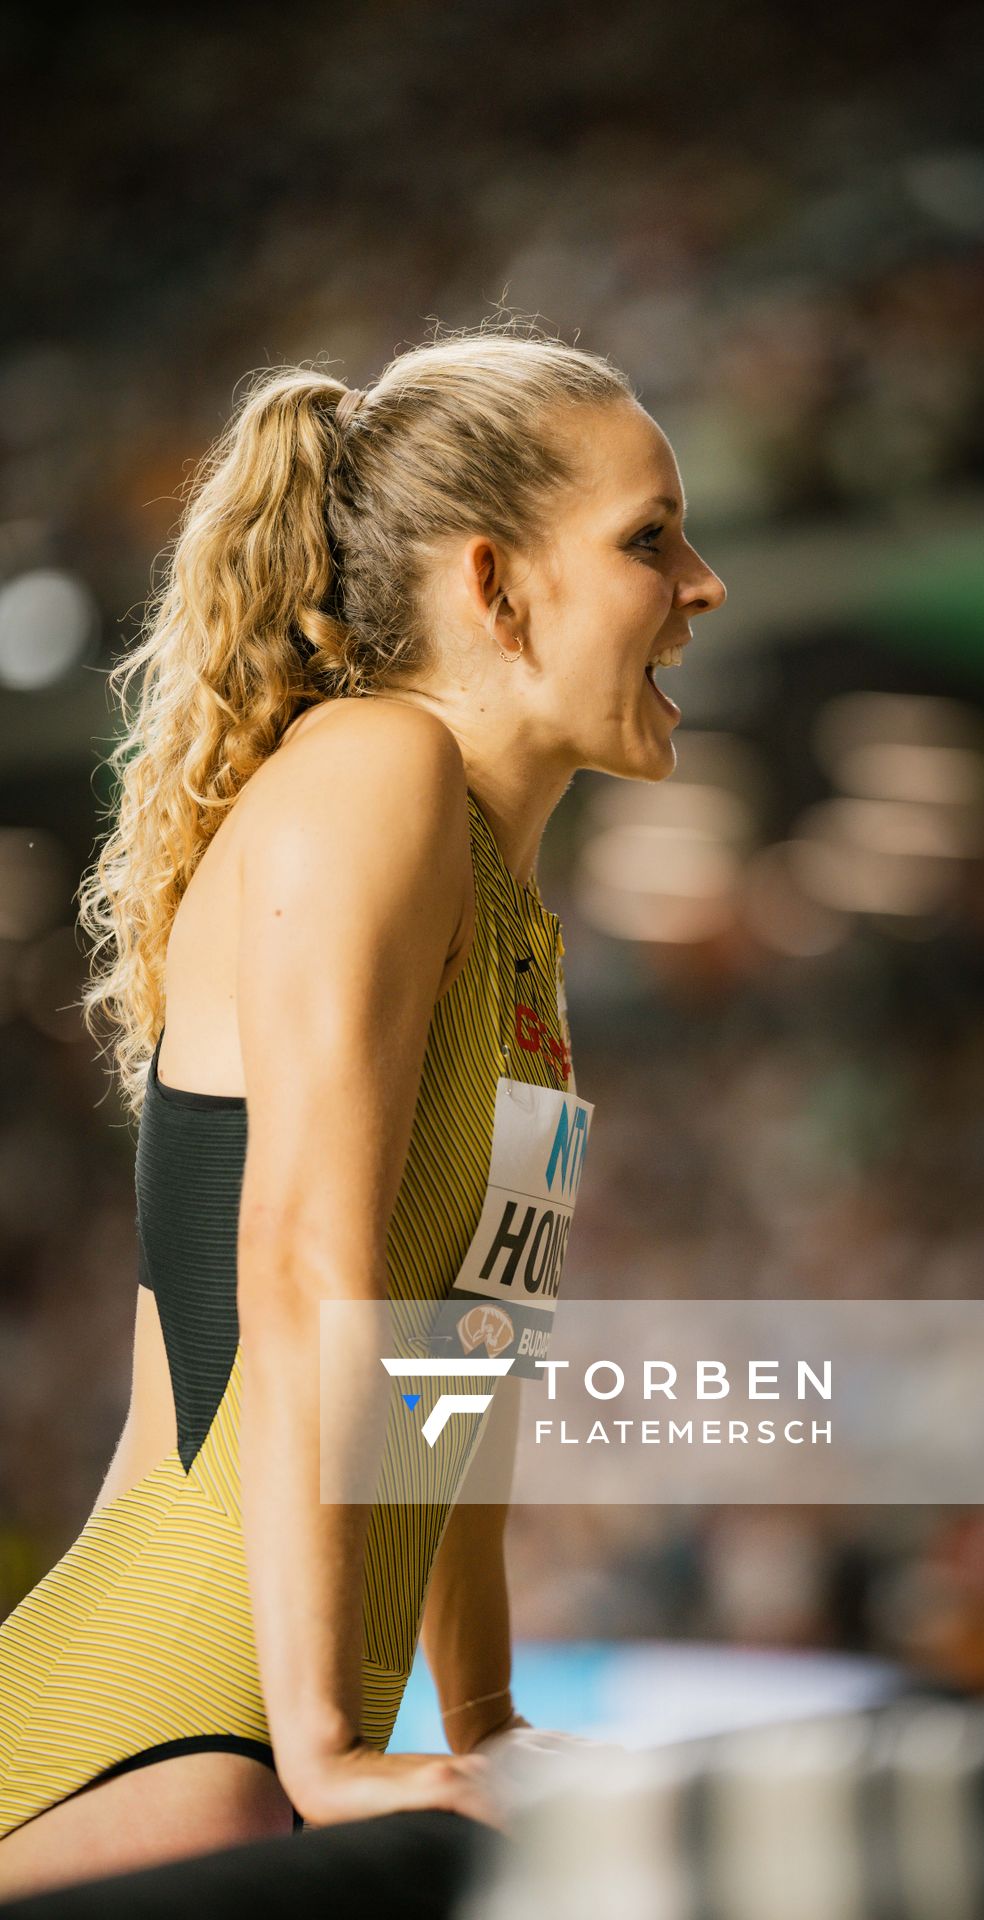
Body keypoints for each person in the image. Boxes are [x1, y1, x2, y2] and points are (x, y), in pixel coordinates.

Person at [0, 319, 726, 1897]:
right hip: (164, 1733)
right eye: (651, 539)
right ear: (493, 586)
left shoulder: (513, 921)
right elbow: (304, 1266)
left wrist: (488, 1718)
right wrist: (325, 1744)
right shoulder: (377, 769)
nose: (704, 583)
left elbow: (446, 1366)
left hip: (249, 1738)